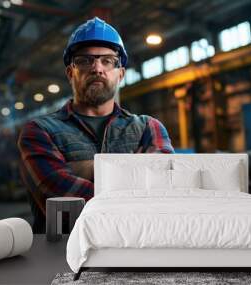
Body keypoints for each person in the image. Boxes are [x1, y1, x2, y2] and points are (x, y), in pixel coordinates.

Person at [17, 17, 174, 233]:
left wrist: (86, 167)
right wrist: (132, 172)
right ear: (70, 72)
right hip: (61, 258)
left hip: (134, 255)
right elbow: (63, 209)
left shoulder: (149, 128)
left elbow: (164, 190)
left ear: (120, 73)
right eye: (84, 60)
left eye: (107, 60)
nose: (97, 68)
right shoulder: (39, 131)